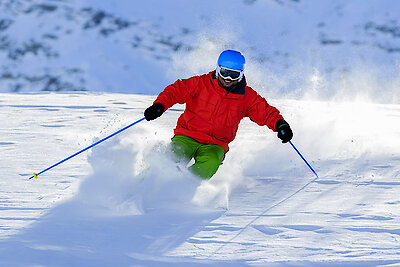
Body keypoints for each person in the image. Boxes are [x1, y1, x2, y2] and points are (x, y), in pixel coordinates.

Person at [144, 49, 293, 179]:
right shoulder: (200, 83)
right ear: (217, 69)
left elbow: (266, 112)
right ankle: (146, 180)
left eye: (233, 75)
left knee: (211, 162)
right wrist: (159, 106)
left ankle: (182, 185)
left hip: (216, 144)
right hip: (187, 135)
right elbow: (176, 90)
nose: (228, 79)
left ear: (241, 75)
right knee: (173, 156)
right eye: (225, 73)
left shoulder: (247, 97)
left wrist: (280, 125)